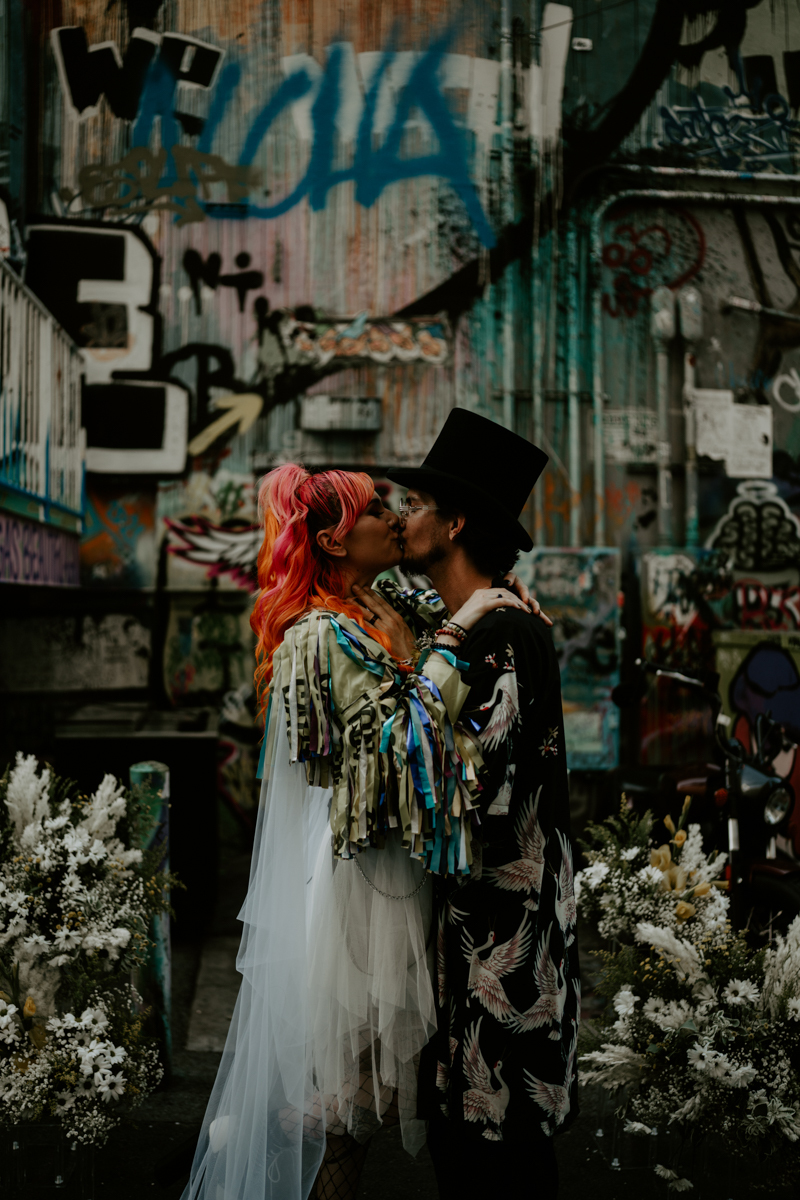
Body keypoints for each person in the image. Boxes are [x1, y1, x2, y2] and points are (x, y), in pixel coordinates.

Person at [180, 464, 539, 1200]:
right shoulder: (320, 634)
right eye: (376, 509)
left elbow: (458, 606)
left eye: (394, 504)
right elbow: (398, 741)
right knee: (353, 1103)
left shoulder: (382, 599)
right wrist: (470, 625)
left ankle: (277, 1134)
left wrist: (493, 607)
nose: (393, 517)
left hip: (409, 870)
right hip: (366, 885)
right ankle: (272, 1144)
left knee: (377, 1088)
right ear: (334, 541)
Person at [387, 408, 581, 1197]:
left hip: (504, 939)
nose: (403, 520)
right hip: (493, 930)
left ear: (456, 522)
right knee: (486, 1148)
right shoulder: (487, 622)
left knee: (495, 1160)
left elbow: (465, 786)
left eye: (418, 506)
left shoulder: (494, 633)